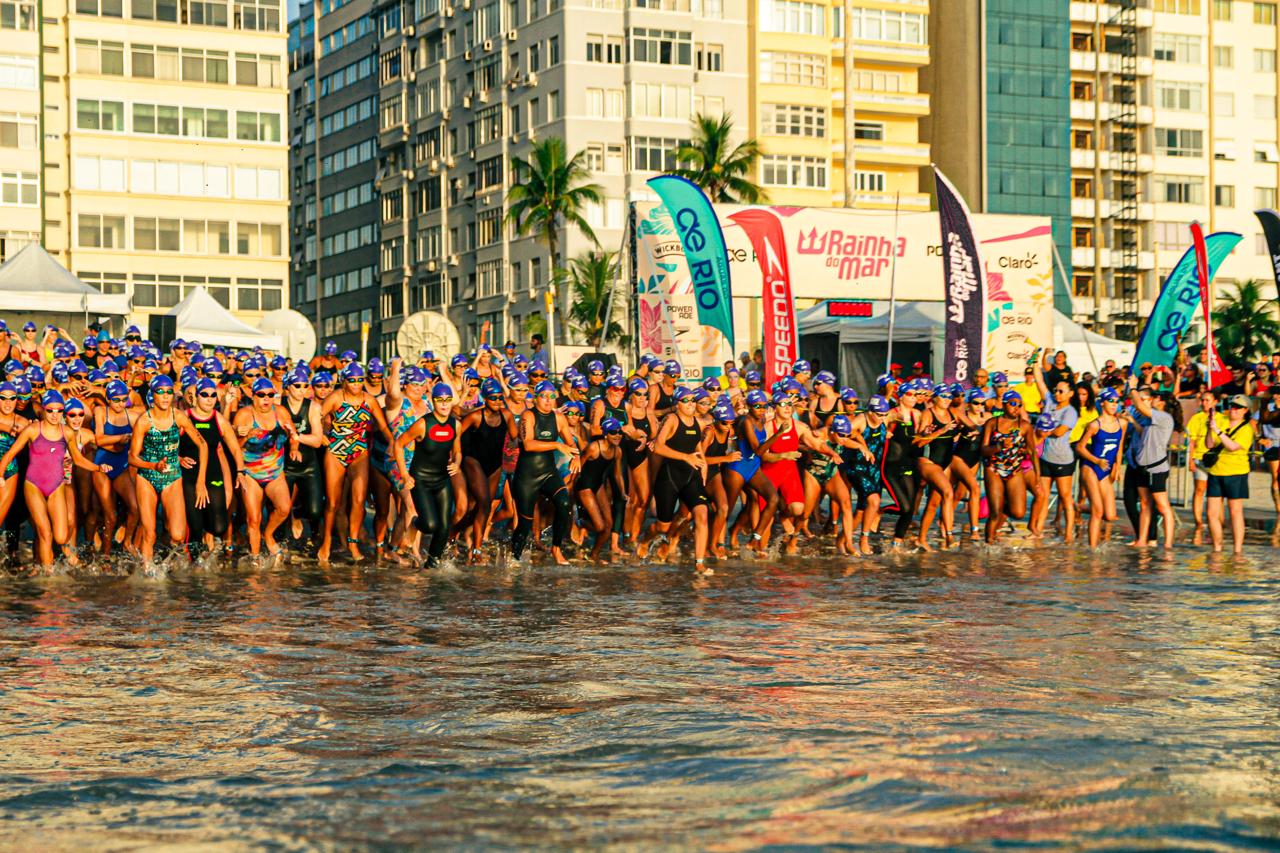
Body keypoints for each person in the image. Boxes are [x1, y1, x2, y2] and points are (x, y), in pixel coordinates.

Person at [0, 390, 109, 567]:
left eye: (59, 410)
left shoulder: (67, 433)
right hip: (33, 485)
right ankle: (48, 576)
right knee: (45, 533)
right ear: (43, 410)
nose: (54, 414)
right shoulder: (33, 429)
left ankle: (57, 563)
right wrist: (1, 474)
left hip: (56, 485)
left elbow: (79, 459)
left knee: (60, 536)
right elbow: (10, 454)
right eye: (50, 410)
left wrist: (98, 467)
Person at [1033, 359, 1079, 542]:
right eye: (1056, 391)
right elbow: (1039, 381)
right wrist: (1035, 362)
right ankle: (1037, 530)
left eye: (1061, 391)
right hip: (1045, 457)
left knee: (1065, 496)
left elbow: (1059, 432)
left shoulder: (1070, 412)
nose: (1057, 394)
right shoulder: (1050, 403)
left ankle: (1068, 534)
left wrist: (1041, 431)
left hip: (1062, 460)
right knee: (1042, 496)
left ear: (1070, 394)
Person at [1127, 387, 1178, 549]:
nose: (1152, 400)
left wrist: (1133, 388)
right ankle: (1142, 540)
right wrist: (1133, 421)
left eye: (1155, 397)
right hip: (1143, 467)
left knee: (1163, 507)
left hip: (1156, 469)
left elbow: (1141, 407)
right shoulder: (1150, 419)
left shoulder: (1163, 417)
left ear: (1161, 402)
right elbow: (1143, 432)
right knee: (1144, 504)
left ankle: (1168, 544)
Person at [1204, 394, 1255, 555]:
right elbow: (1209, 444)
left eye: (1238, 407)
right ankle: (1217, 548)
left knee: (1235, 512)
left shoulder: (1246, 429)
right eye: (1232, 406)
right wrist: (1209, 428)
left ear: (1245, 411)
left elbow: (1233, 446)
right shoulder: (1221, 421)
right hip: (1216, 471)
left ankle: (1237, 550)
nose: (1233, 410)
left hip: (1236, 472)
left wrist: (1218, 431)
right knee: (1211, 513)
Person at [1075, 388, 1126, 549]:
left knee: (1110, 515)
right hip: (1090, 468)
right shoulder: (1094, 425)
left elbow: (1120, 445)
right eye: (1111, 401)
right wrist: (1096, 461)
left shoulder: (1122, 423)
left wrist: (1118, 465)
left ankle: (1077, 506)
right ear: (1102, 402)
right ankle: (1093, 549)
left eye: (1117, 401)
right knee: (1097, 512)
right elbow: (1080, 447)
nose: (1114, 404)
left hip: (1106, 471)